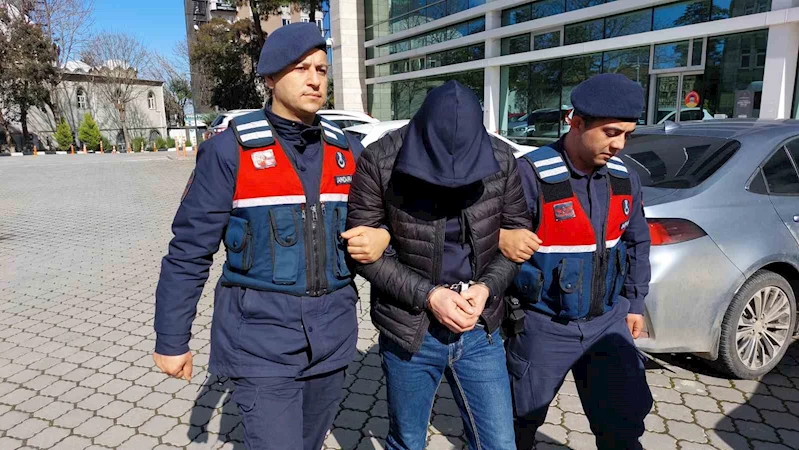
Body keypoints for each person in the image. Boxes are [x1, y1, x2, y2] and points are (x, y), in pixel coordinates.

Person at [152, 23, 389, 450]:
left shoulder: (348, 152)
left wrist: (382, 236)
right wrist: (172, 339)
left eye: (321, 69)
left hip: (333, 336)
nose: (315, 80)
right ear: (269, 78)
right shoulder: (230, 151)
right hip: (260, 339)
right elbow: (189, 251)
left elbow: (384, 218)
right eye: (301, 68)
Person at [346, 80, 532, 450]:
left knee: (499, 443)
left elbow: (516, 242)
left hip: (480, 329)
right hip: (410, 329)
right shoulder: (380, 160)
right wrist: (430, 296)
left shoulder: (502, 159)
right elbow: (363, 252)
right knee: (408, 441)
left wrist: (486, 288)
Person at [500, 73, 654, 450]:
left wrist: (635, 302)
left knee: (623, 423)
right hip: (542, 325)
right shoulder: (530, 174)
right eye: (611, 133)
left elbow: (637, 241)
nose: (619, 145)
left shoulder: (624, 178)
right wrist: (501, 237)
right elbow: (486, 237)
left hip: (608, 322)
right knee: (516, 423)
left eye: (627, 135)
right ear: (577, 122)